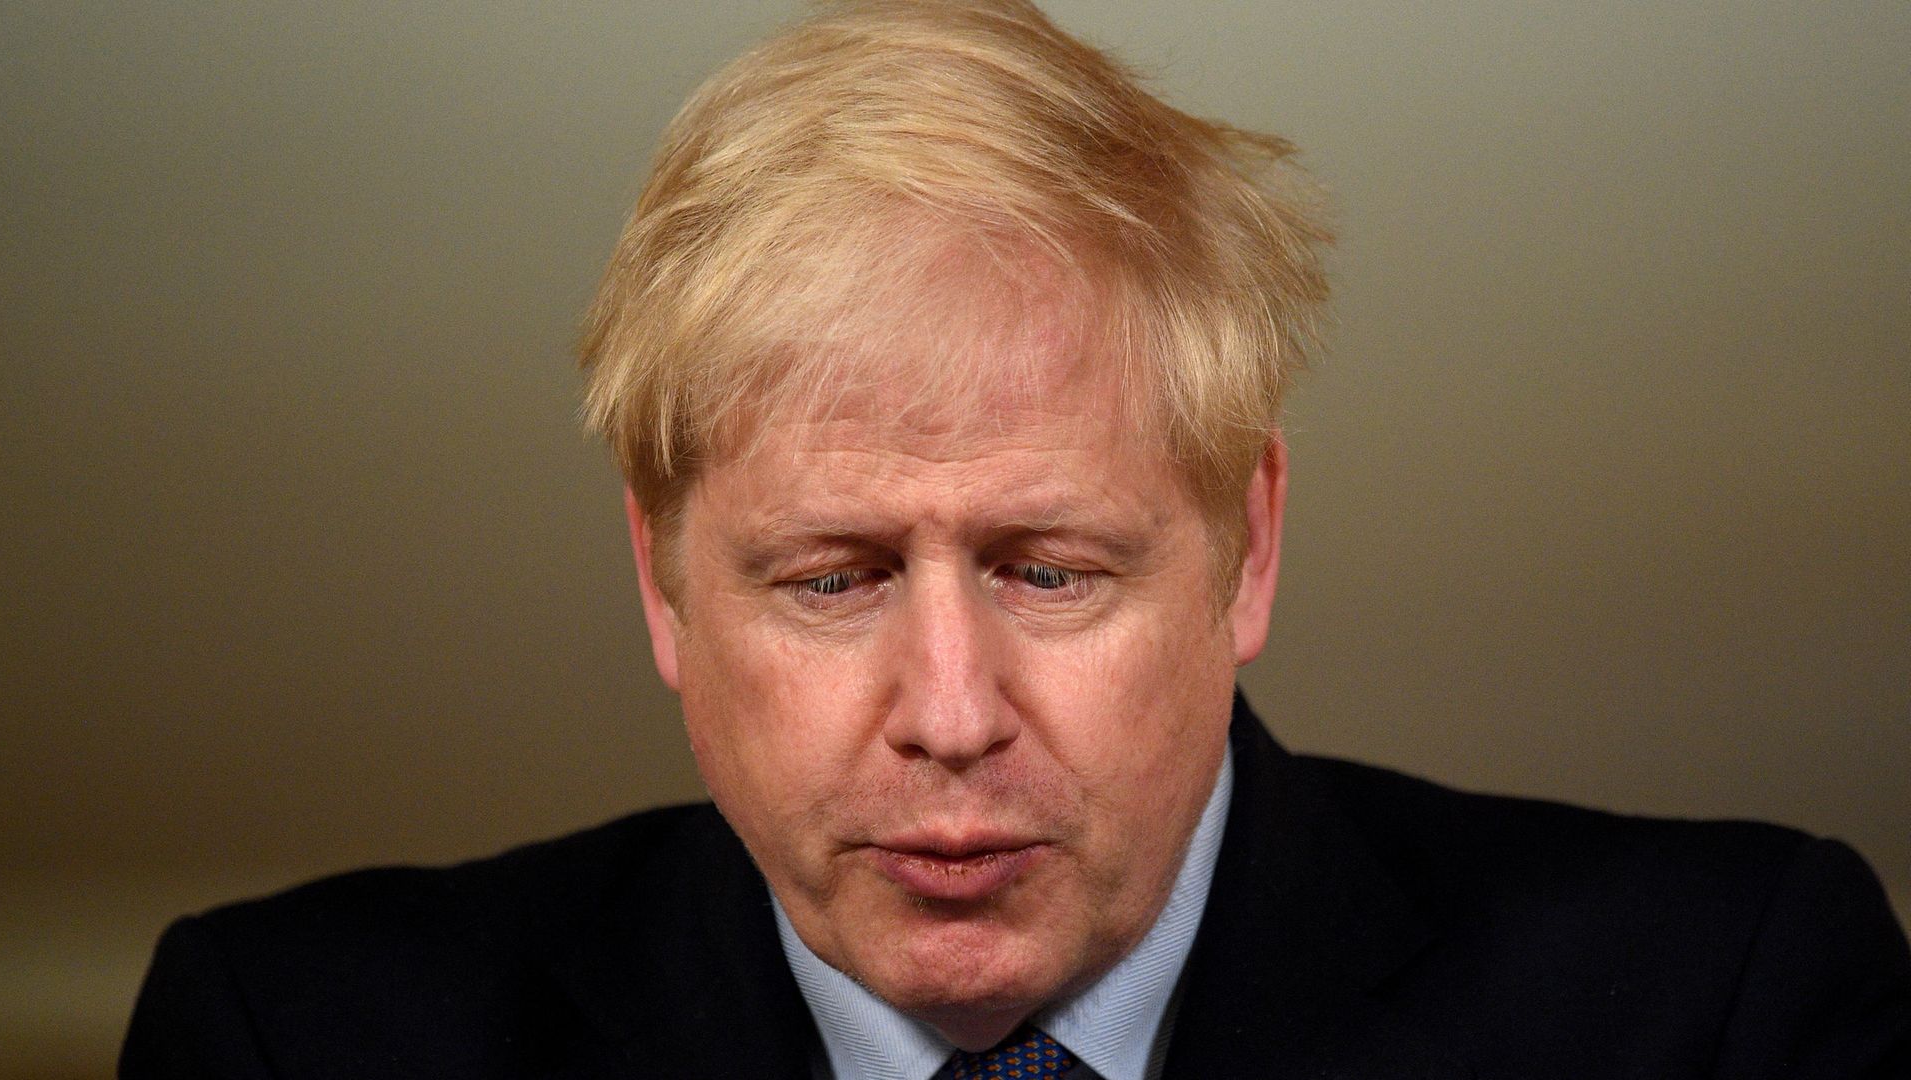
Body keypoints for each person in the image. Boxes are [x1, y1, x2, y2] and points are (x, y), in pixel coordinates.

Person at [122, 1, 1909, 1076]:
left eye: (1050, 569)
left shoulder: (1721, 1004)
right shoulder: (299, 1041)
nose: (951, 711)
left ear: (1250, 547)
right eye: (832, 580)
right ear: (660, 581)